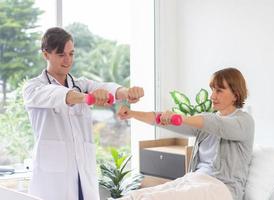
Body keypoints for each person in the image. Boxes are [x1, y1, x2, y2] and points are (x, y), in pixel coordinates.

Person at [23, 27, 144, 200]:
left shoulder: (81, 83)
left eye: (71, 54)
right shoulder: (33, 88)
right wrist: (88, 98)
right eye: (61, 54)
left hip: (83, 173)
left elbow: (107, 88)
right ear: (46, 54)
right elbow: (59, 95)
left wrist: (128, 92)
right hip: (54, 179)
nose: (68, 60)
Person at [118, 68, 254, 200]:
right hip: (194, 179)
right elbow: (159, 119)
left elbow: (218, 125)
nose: (212, 96)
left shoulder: (244, 122)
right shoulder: (203, 121)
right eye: (212, 90)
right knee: (136, 196)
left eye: (219, 90)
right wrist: (132, 114)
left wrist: (179, 117)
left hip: (223, 188)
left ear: (235, 94)